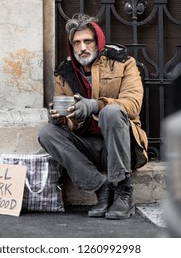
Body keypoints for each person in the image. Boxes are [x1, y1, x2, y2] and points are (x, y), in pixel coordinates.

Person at [38, 13, 148, 220]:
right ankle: (101, 189)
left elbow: (133, 105)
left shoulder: (123, 62)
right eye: (77, 43)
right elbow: (70, 122)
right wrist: (61, 119)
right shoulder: (64, 72)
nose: (83, 48)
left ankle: (123, 191)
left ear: (98, 42)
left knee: (111, 111)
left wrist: (95, 105)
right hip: (89, 147)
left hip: (122, 146)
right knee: (47, 132)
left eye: (87, 41)